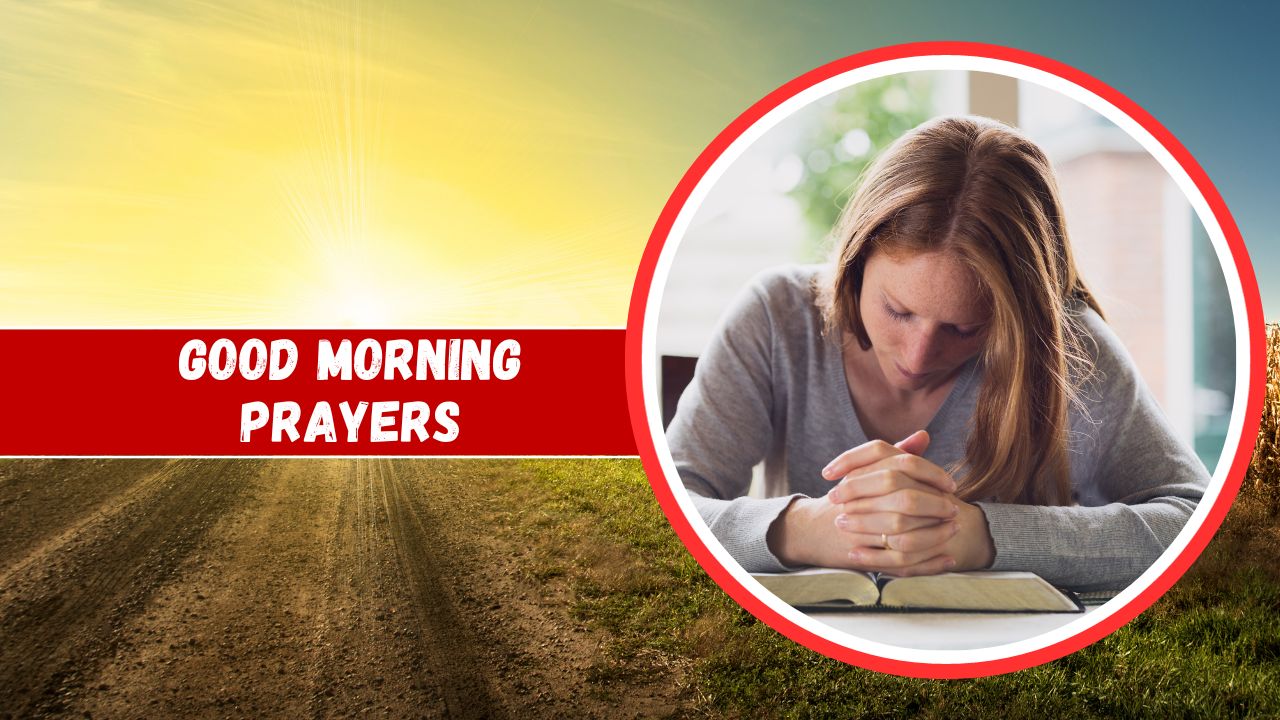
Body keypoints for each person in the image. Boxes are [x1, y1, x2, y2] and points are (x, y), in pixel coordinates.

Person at [666, 115, 1209, 592]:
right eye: (897, 311)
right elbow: (665, 509)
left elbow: (1196, 524)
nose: (920, 356)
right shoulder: (775, 316)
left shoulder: (1067, 348)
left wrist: (982, 536)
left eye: (965, 327)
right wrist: (806, 529)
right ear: (855, 262)